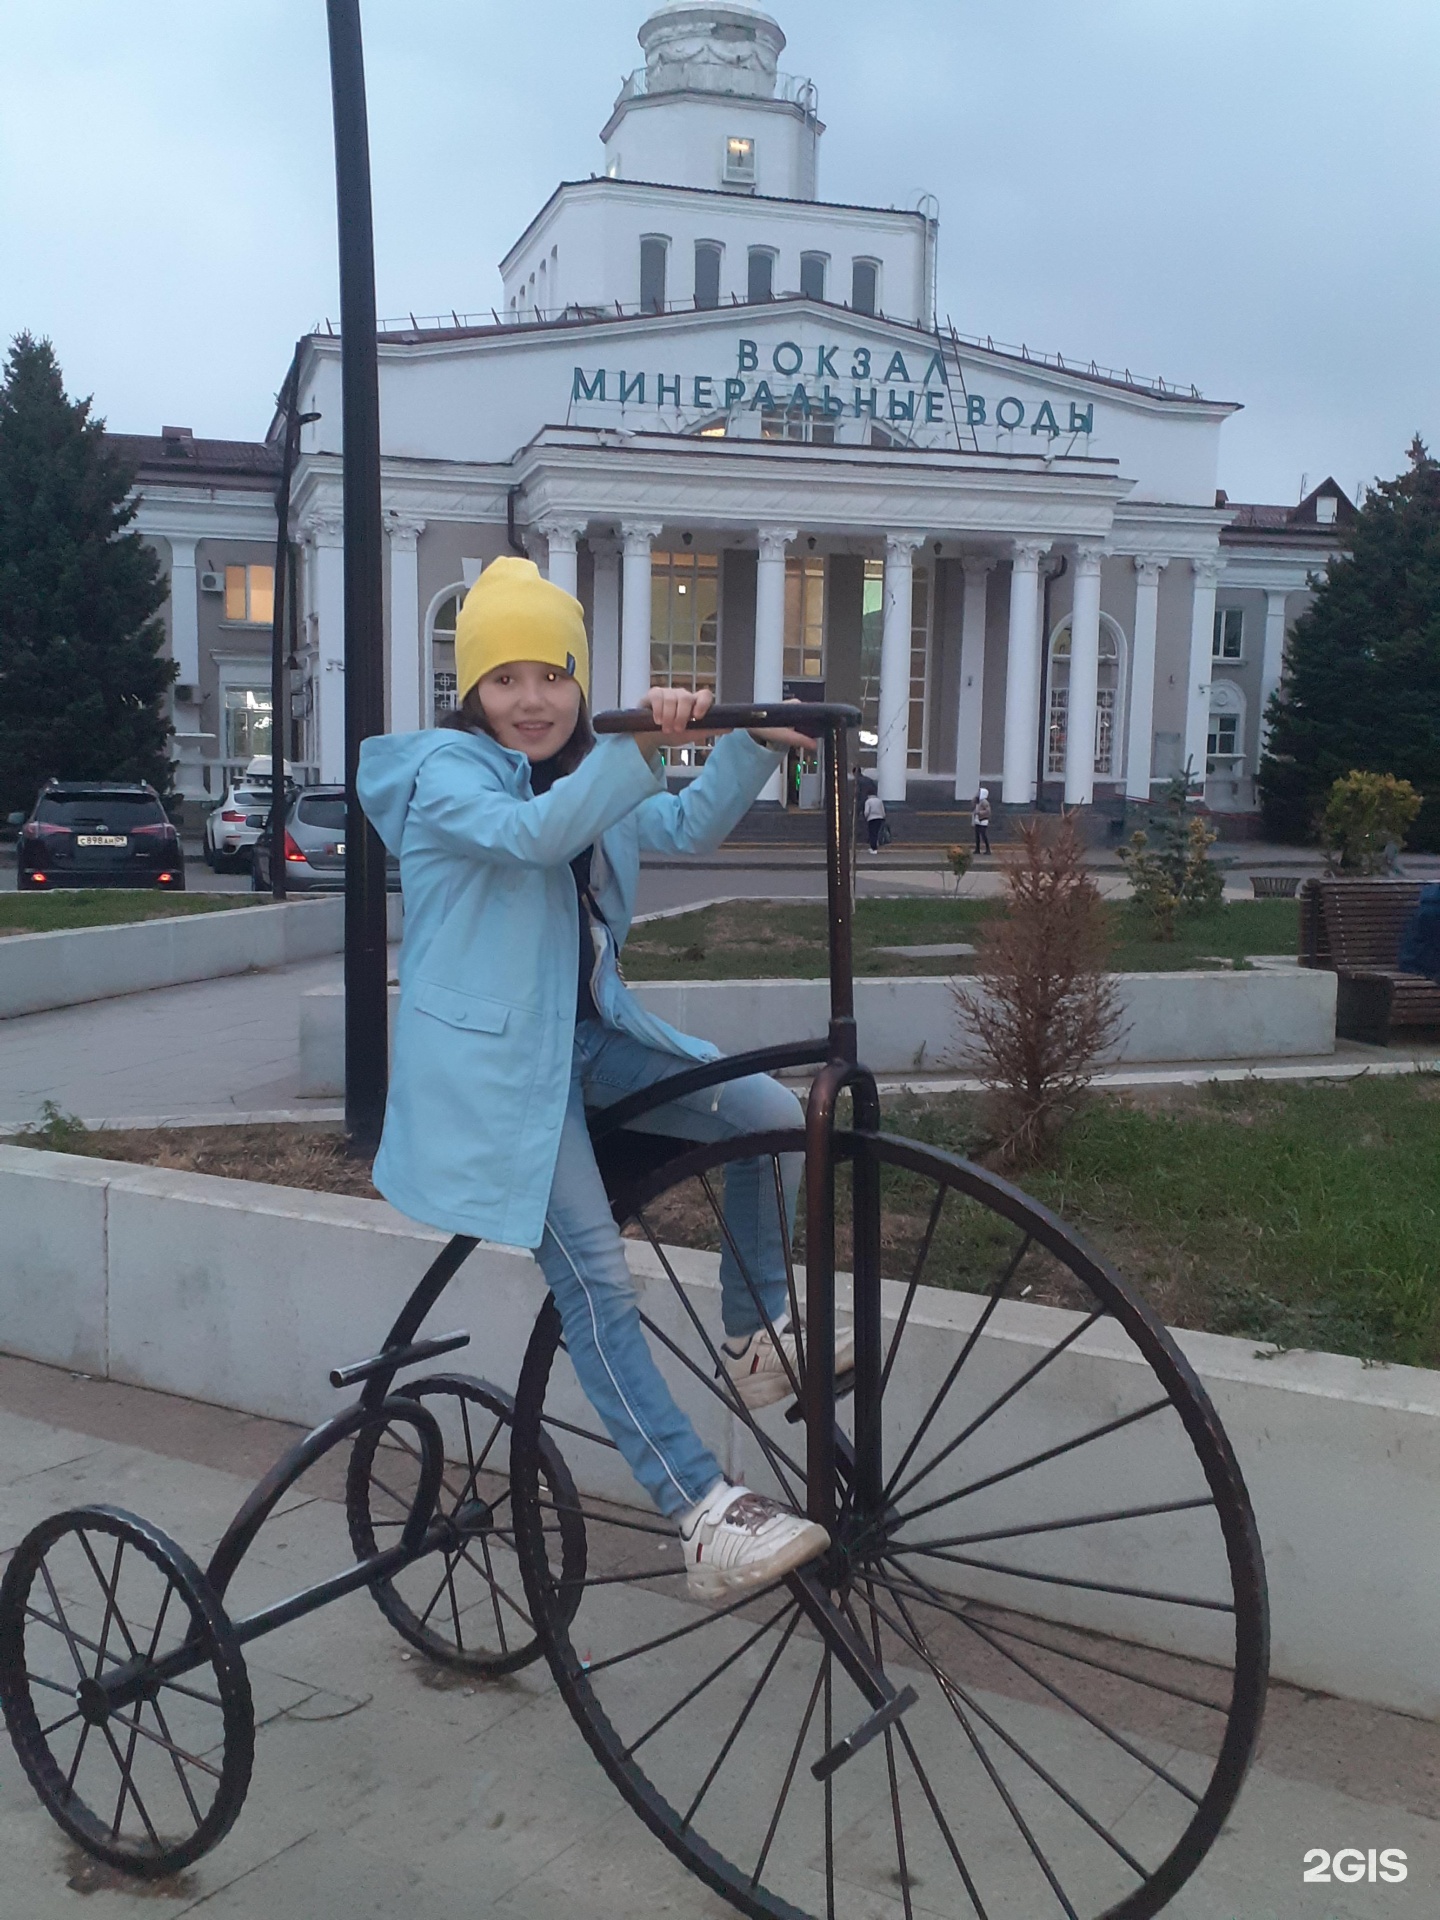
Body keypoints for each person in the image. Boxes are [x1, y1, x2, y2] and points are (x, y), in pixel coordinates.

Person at [357, 557, 852, 1601]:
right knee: (594, 1273)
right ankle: (702, 1512)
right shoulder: (446, 778)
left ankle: (757, 1337)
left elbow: (675, 826)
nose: (530, 700)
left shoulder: (586, 770)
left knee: (761, 1111)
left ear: (580, 680)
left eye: (551, 675)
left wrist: (746, 747)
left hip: (584, 1045)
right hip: (495, 1077)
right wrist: (638, 743)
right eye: (504, 678)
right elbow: (536, 839)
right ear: (471, 690)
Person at [863, 788, 888, 853]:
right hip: (880, 818)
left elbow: (867, 811)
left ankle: (873, 848)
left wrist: (866, 817)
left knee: (872, 833)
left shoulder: (868, 801)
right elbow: (882, 810)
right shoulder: (879, 801)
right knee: (876, 833)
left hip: (871, 818)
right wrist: (883, 817)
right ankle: (875, 846)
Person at [972, 787, 992, 856]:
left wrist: (979, 812)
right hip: (978, 820)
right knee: (977, 835)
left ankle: (988, 849)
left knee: (983, 835)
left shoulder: (984, 802)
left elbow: (988, 811)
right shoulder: (978, 801)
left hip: (983, 820)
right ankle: (977, 849)